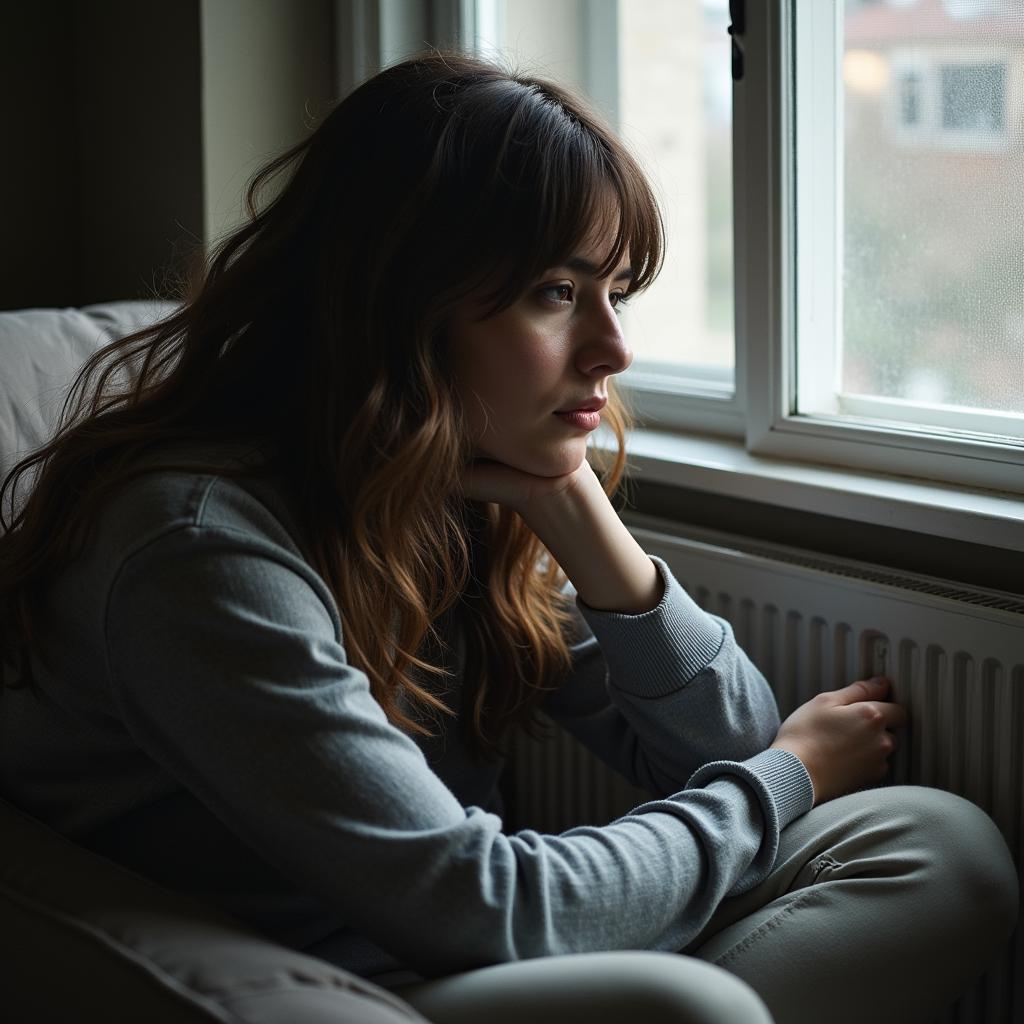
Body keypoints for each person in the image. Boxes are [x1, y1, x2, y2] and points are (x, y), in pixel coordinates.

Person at [0, 51, 1016, 1024]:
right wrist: (789, 773)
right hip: (328, 990)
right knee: (689, 1007)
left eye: (614, 293)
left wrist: (576, 509)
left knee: (936, 849)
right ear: (399, 298)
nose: (613, 348)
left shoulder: (444, 481)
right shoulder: (196, 550)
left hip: (464, 960)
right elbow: (481, 905)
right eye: (557, 293)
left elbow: (731, 742)